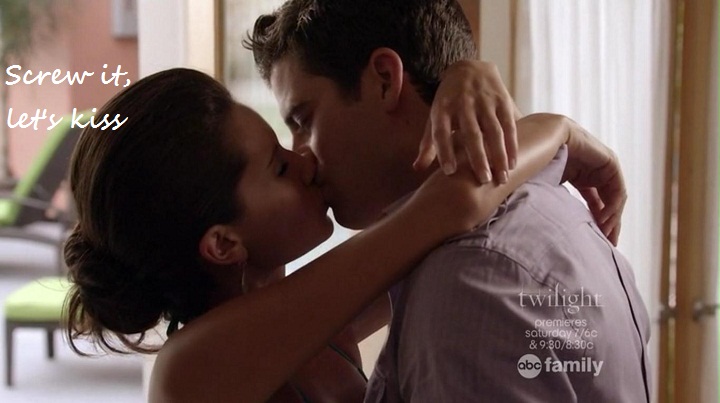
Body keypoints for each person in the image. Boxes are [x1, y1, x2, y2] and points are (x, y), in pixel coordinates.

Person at [62, 65, 615, 403]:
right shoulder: (190, 374)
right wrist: (562, 129)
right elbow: (456, 201)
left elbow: (447, 204)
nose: (305, 160)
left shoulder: (326, 318)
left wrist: (463, 75)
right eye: (279, 167)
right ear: (223, 243)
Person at [246, 0, 651, 402]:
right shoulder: (555, 216)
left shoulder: (466, 284)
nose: (301, 157)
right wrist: (554, 127)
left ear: (385, 80)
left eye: (304, 120)